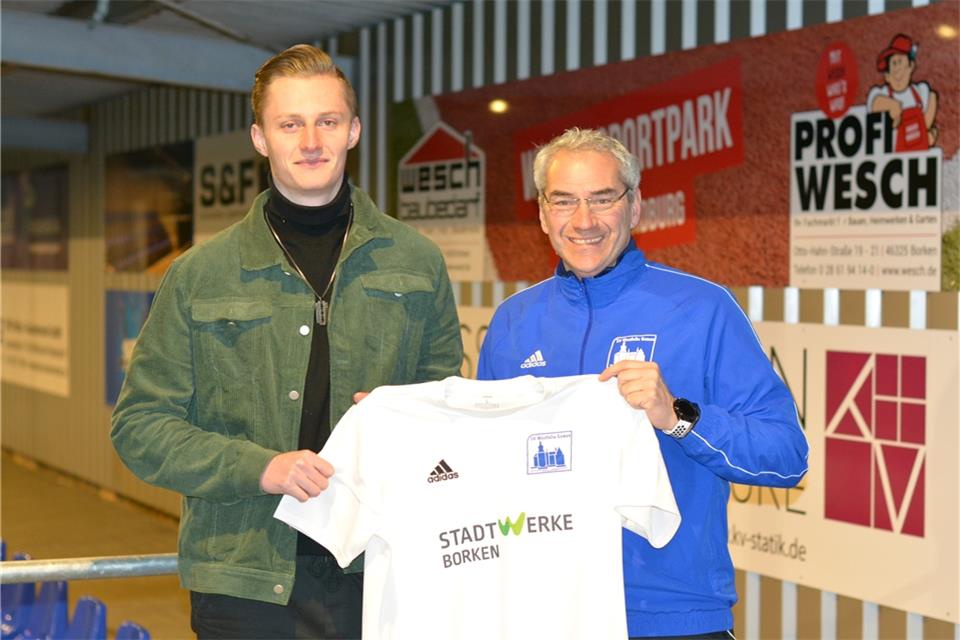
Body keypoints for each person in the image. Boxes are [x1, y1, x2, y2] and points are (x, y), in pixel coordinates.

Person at [111, 44, 463, 640]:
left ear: (352, 131)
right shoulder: (201, 274)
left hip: (379, 569)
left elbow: (446, 411)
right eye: (289, 124)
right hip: (242, 583)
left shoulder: (417, 263)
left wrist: (399, 424)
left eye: (327, 121)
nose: (310, 141)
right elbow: (139, 427)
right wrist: (262, 468)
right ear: (259, 137)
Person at [477, 128, 808, 639]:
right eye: (564, 201)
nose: (583, 221)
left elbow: (786, 456)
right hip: (543, 612)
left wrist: (677, 416)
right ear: (542, 213)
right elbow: (485, 473)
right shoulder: (512, 323)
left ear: (633, 208)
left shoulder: (702, 309)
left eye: (602, 199)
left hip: (672, 617)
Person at [867, 33, 939, 151]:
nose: (896, 69)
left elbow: (932, 98)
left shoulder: (919, 92)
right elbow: (875, 102)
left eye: (899, 62)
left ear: (911, 66)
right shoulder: (882, 93)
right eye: (893, 64)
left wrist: (927, 134)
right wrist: (893, 107)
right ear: (887, 76)